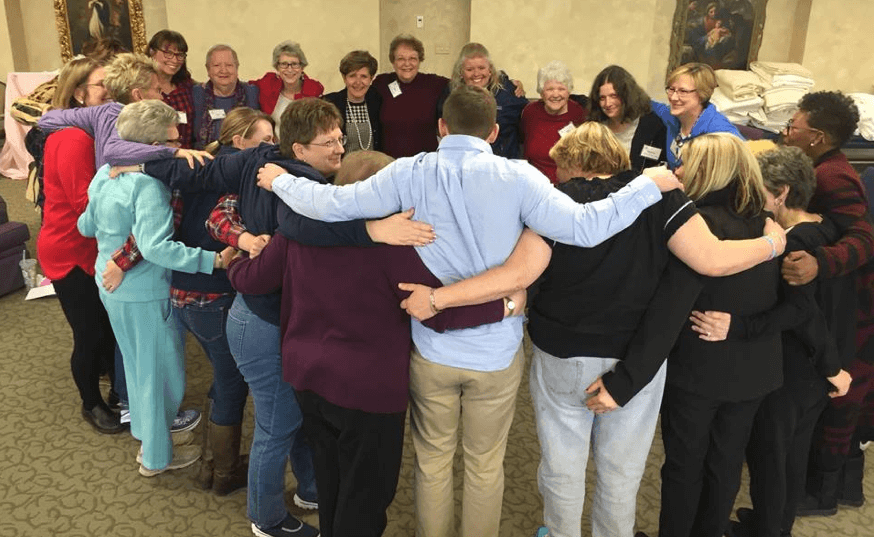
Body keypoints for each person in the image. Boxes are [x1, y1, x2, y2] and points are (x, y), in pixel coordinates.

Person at [257, 85, 685, 537]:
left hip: (432, 348)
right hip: (495, 352)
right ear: (496, 132)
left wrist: (280, 180)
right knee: (485, 465)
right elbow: (585, 227)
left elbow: (330, 204)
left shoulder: (410, 171)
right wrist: (644, 186)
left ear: (441, 127)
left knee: (433, 461)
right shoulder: (520, 177)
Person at [137, 98, 437, 537]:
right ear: (297, 150)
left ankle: (310, 490)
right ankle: (266, 517)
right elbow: (290, 238)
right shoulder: (309, 205)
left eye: (340, 139)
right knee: (277, 427)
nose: (337, 147)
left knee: (304, 433)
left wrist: (143, 163)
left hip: (291, 344)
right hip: (264, 326)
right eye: (328, 141)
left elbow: (234, 219)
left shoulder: (268, 165)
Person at [228, 148, 533, 537]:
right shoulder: (395, 250)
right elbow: (434, 309)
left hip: (307, 377)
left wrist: (233, 259)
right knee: (367, 495)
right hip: (367, 393)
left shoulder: (297, 234)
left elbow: (253, 280)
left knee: (330, 474)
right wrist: (504, 306)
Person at [526, 123, 785, 537]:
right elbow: (712, 259)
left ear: (572, 162)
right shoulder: (667, 202)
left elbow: (526, 277)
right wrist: (774, 244)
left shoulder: (555, 200)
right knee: (623, 472)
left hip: (567, 350)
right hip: (638, 357)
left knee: (562, 466)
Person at [694, 144, 853, 537]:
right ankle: (776, 523)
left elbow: (801, 313)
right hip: (818, 367)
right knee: (794, 454)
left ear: (781, 193)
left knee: (770, 456)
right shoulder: (829, 227)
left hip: (797, 366)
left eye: (758, 188)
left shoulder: (793, 243)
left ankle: (768, 528)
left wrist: (738, 327)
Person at [633, 133, 782, 537]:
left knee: (684, 466)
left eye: (685, 163)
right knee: (726, 465)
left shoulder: (695, 226)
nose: (678, 170)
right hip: (753, 369)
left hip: (697, 371)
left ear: (706, 171)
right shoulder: (767, 225)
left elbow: (670, 303)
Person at [77, 100, 228, 476]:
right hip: (145, 292)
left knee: (137, 366)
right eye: (171, 136)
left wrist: (113, 233)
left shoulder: (104, 174)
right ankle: (156, 457)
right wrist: (212, 261)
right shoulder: (149, 186)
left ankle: (148, 436)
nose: (178, 141)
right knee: (158, 375)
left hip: (109, 285)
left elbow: (85, 227)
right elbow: (156, 247)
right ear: (153, 141)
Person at [779, 91, 874, 516]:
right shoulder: (826, 167)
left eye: (792, 126)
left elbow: (866, 238)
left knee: (841, 400)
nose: (786, 131)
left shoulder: (834, 177)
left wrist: (820, 263)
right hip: (846, 305)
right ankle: (838, 488)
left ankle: (823, 494)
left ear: (815, 136)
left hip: (855, 310)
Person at [36, 56, 119, 434]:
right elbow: (84, 205)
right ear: (79, 93)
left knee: (107, 329)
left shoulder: (97, 131)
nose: (109, 90)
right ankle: (91, 404)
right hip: (70, 250)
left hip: (92, 244)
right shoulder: (72, 137)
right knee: (90, 334)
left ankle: (119, 391)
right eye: (101, 84)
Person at [439, 43, 528, 158]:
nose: (476, 74)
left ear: (490, 70)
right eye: (469, 69)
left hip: (501, 164)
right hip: (462, 163)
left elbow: (526, 124)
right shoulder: (450, 94)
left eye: (481, 68)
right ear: (461, 72)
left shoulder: (509, 92)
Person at [651, 62, 741, 169]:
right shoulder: (674, 117)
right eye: (671, 89)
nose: (673, 97)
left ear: (702, 94)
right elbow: (645, 103)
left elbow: (749, 164)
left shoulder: (719, 131)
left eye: (683, 91)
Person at [372, 34, 448, 158]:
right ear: (393, 61)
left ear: (419, 60)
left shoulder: (435, 84)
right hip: (388, 164)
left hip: (424, 164)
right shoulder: (381, 83)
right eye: (401, 58)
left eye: (412, 58)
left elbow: (462, 84)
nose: (407, 64)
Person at [587, 65, 666, 173]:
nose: (607, 103)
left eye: (613, 96)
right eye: (602, 98)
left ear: (627, 95)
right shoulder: (594, 127)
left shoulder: (652, 126)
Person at [520, 61, 587, 184]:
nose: (556, 94)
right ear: (541, 92)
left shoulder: (579, 114)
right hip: (534, 185)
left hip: (569, 187)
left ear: (569, 91)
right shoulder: (530, 112)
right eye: (550, 89)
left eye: (561, 89)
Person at [250, 40, 323, 142]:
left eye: (294, 64)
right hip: (272, 148)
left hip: (303, 148)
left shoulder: (313, 91)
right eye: (284, 64)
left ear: (302, 67)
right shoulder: (268, 84)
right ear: (277, 68)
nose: (289, 69)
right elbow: (245, 87)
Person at [192, 44, 259, 148]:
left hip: (244, 157)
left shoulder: (252, 93)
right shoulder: (196, 94)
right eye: (216, 65)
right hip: (205, 158)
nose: (223, 70)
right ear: (208, 70)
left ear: (237, 68)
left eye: (229, 65)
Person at [322, 50, 381, 153]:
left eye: (364, 76)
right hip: (342, 168)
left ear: (371, 79)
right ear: (344, 78)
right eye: (352, 76)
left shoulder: (378, 101)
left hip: (374, 167)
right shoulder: (330, 104)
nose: (358, 82)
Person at [147, 30, 196, 148]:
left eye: (180, 55)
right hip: (156, 158)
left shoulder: (189, 87)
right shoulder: (143, 88)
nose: (174, 60)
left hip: (188, 157)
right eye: (168, 53)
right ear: (152, 52)